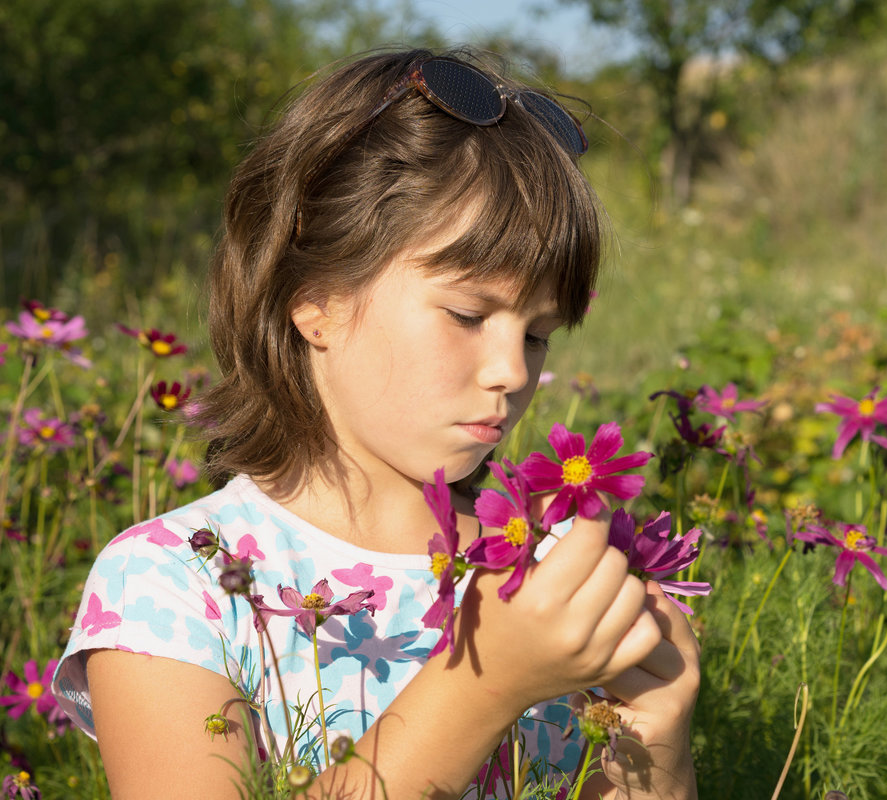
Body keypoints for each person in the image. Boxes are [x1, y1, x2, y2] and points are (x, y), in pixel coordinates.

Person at [51, 47, 700, 799]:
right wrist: (484, 682)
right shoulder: (173, 583)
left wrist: (654, 743)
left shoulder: (540, 583)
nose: (515, 372)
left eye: (537, 332)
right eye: (468, 313)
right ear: (318, 298)